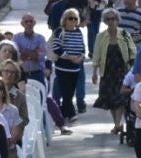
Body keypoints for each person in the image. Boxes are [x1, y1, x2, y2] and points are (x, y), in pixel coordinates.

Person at [91, 8, 135, 137]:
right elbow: (96, 54)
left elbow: (132, 51)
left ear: (117, 20)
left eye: (113, 19)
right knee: (110, 99)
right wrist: (94, 72)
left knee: (120, 98)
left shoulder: (125, 34)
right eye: (108, 19)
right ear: (105, 21)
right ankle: (117, 123)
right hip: (107, 71)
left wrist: (133, 67)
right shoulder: (101, 36)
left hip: (122, 71)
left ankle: (117, 124)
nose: (111, 21)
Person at [50, 9, 88, 124]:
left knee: (70, 93)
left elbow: (82, 48)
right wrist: (70, 57)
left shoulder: (79, 32)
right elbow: (56, 48)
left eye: (75, 18)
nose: (73, 21)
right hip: (62, 68)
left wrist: (80, 58)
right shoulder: (59, 31)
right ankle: (71, 114)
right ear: (65, 20)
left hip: (75, 68)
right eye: (70, 18)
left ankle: (64, 112)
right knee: (65, 92)